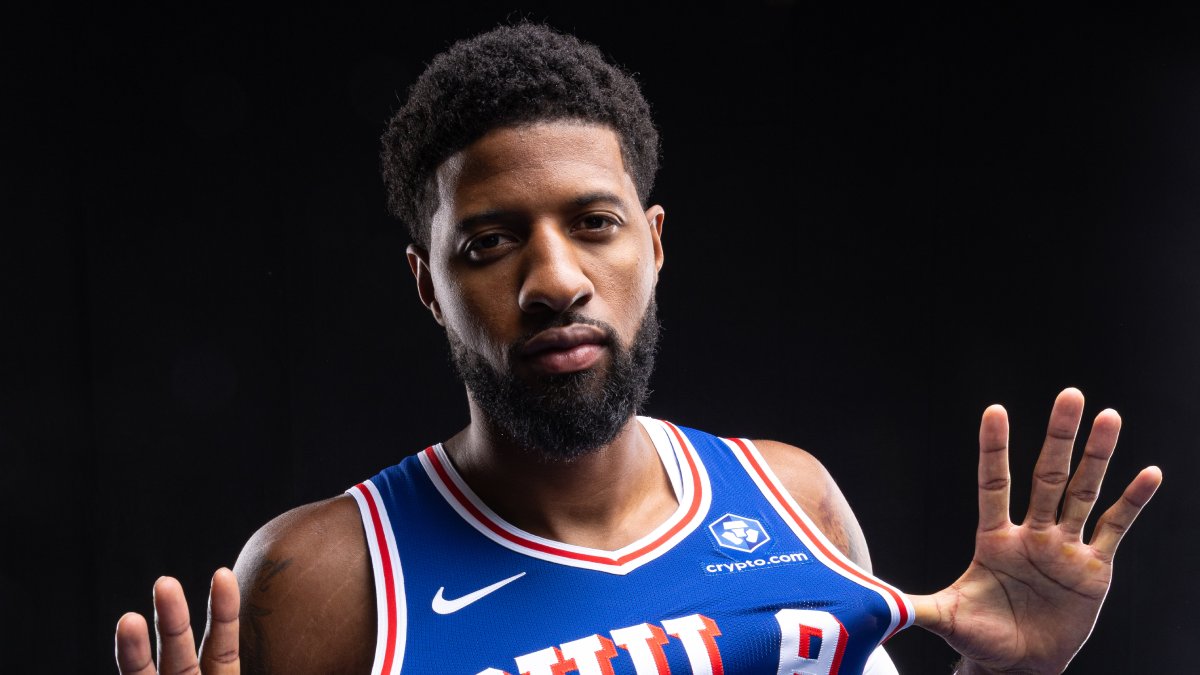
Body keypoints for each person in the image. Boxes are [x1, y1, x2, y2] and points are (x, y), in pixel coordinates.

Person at [113, 22, 1162, 675]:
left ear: (653, 245)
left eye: (594, 224)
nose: (555, 280)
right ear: (429, 285)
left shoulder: (792, 497)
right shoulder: (325, 578)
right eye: (489, 242)